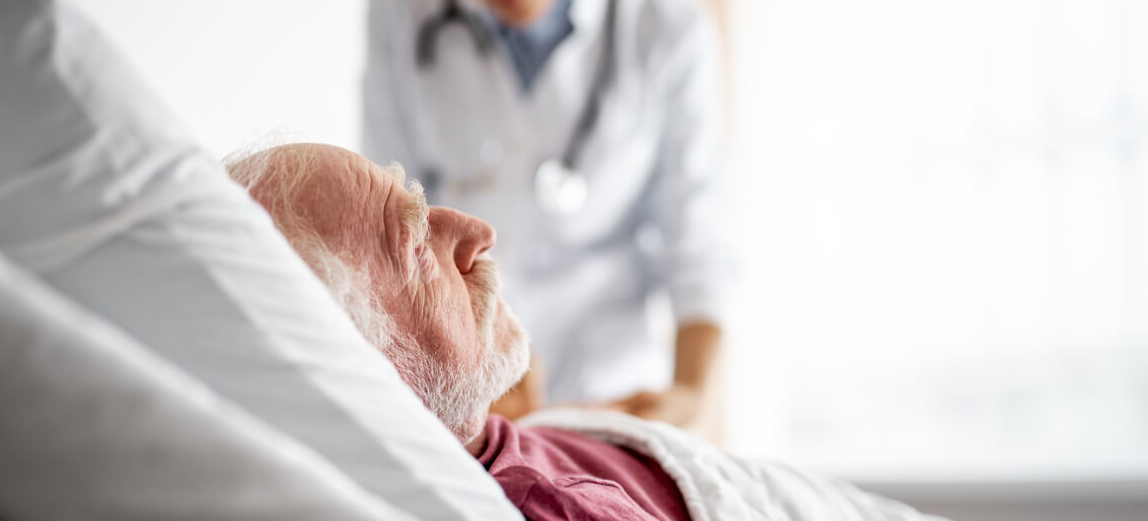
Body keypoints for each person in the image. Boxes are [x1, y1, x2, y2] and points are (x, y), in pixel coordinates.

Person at [226, 143, 942, 521]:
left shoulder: (505, 447)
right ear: (360, 363)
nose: (475, 230)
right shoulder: (556, 506)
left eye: (422, 200)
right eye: (413, 239)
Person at [362, 0, 731, 429]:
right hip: (466, 380)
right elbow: (390, 220)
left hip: (611, 389)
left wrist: (692, 394)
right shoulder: (399, 1)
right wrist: (467, 354)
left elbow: (697, 241)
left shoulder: (669, 30)